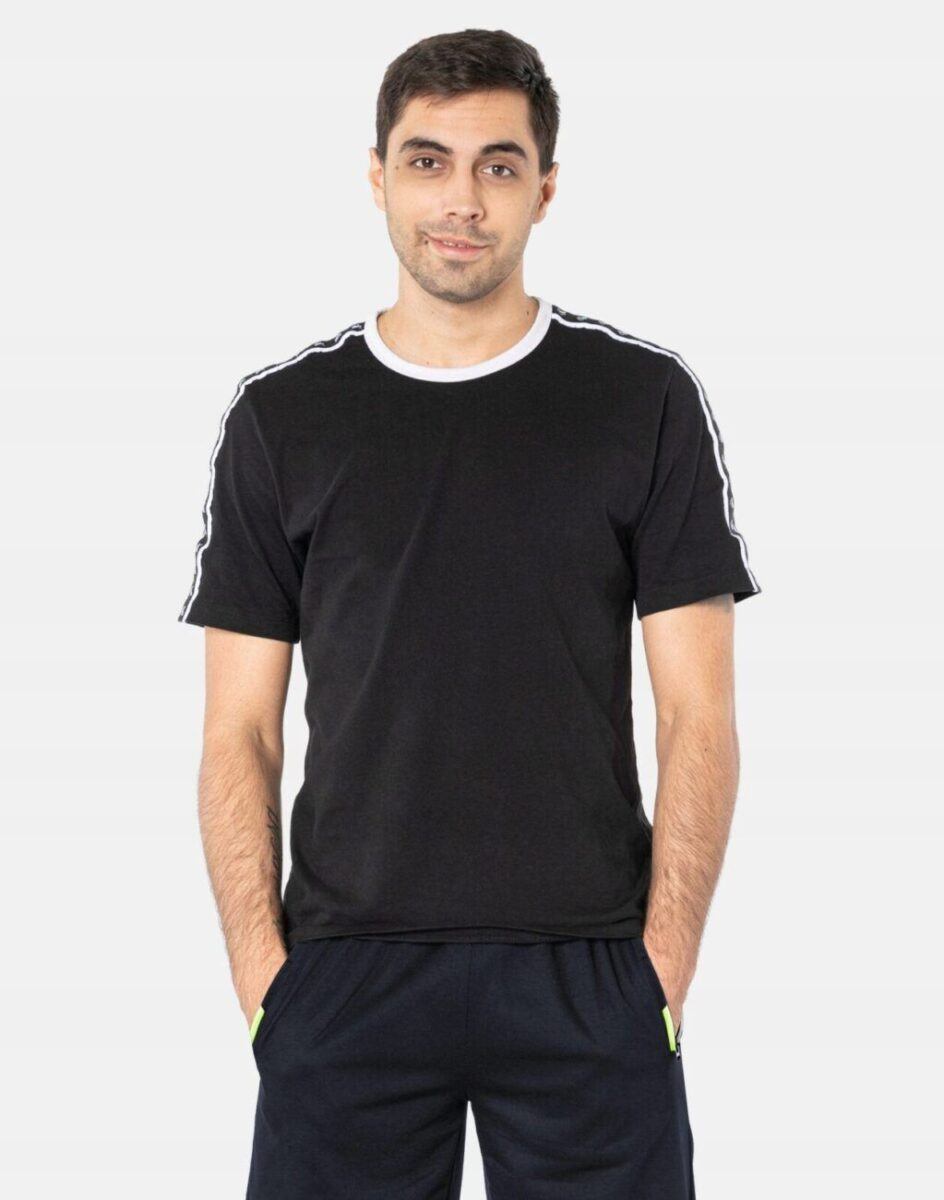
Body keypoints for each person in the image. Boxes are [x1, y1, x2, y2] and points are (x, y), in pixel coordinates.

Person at [178, 27, 761, 1200]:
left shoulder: (639, 401)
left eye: (498, 165)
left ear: (543, 189)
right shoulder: (283, 419)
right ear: (377, 177)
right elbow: (238, 731)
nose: (460, 199)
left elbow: (696, 714)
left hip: (587, 970)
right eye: (427, 161)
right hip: (343, 975)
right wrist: (264, 985)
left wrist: (657, 972)